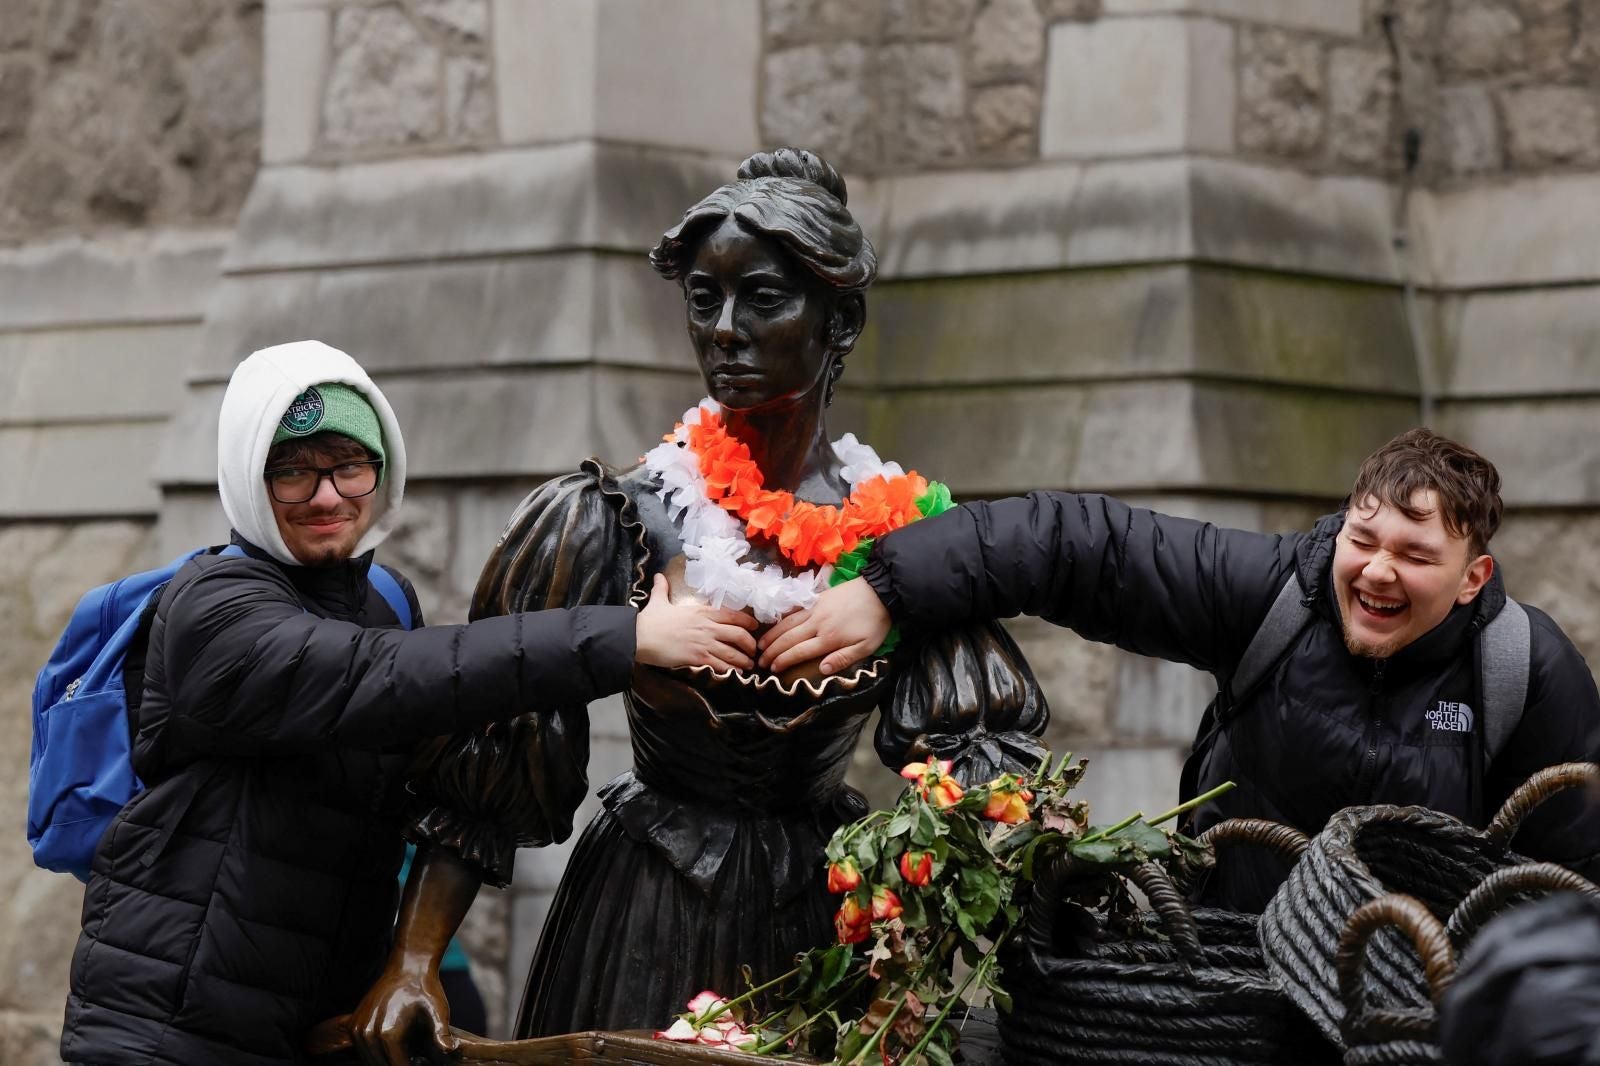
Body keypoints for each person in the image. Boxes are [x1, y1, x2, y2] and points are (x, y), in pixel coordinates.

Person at [350, 148, 1048, 1061]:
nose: (724, 330)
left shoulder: (907, 540)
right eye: (703, 299)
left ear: (840, 320)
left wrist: (916, 923)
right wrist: (414, 962)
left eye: (762, 299)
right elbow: (492, 744)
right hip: (642, 909)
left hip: (823, 931)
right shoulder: (609, 517)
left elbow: (985, 771)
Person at [58, 340, 756, 1066]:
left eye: (350, 467)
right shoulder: (212, 608)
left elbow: (454, 756)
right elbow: (387, 676)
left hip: (316, 1029)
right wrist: (627, 636)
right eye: (292, 471)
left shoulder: (385, 599)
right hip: (167, 1031)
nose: (327, 495)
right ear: (244, 476)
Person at [760, 428, 1600, 911]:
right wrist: (889, 590)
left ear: (1472, 578)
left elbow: (1576, 889)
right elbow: (1078, 543)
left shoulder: (1526, 671)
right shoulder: (1276, 592)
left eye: (1415, 556)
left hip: (1421, 1016)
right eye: (1363, 540)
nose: (1378, 572)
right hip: (1226, 994)